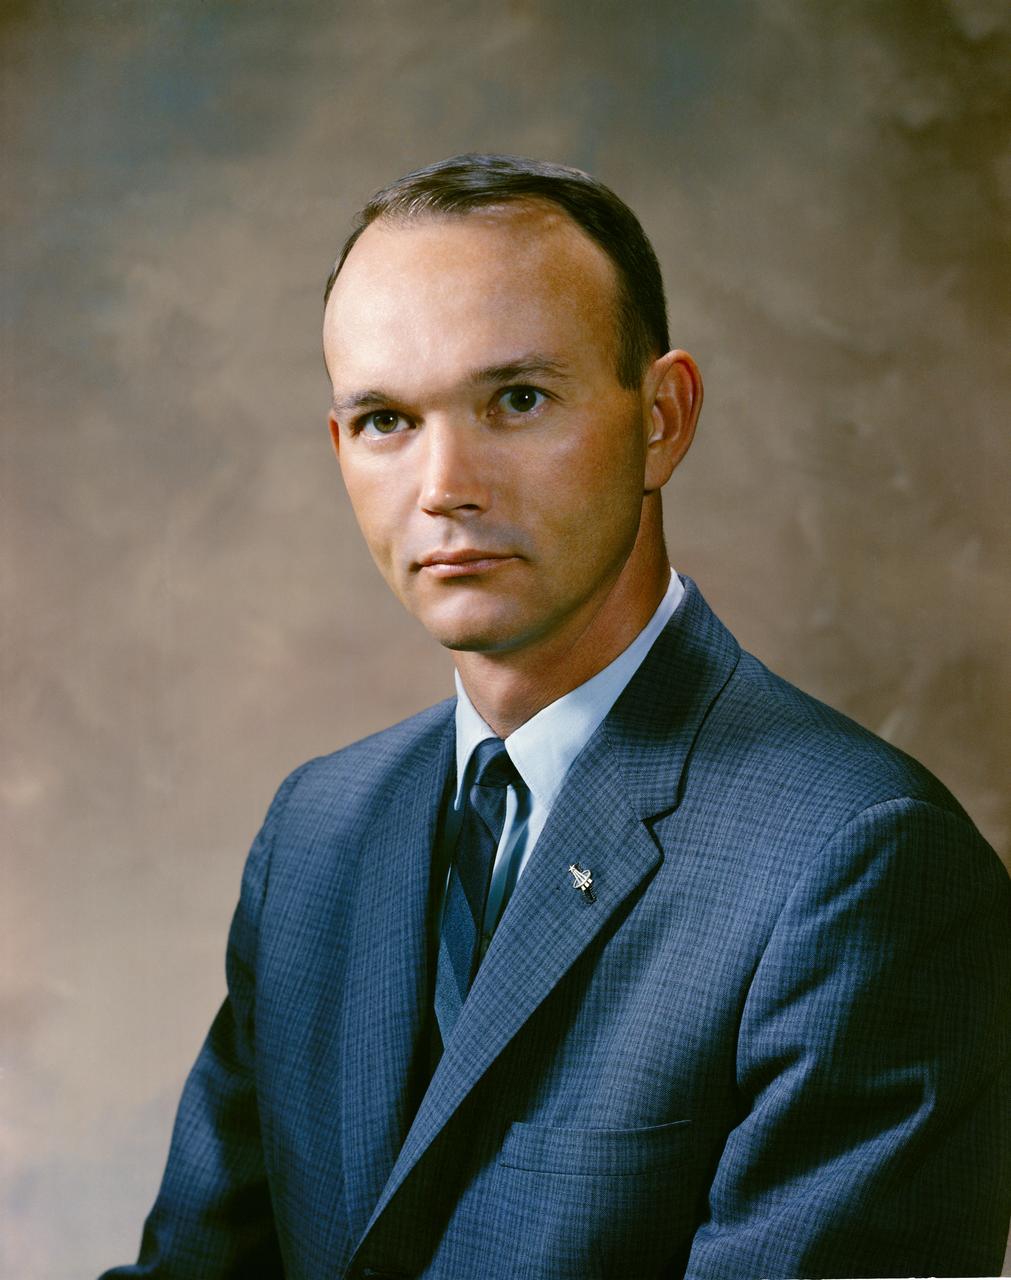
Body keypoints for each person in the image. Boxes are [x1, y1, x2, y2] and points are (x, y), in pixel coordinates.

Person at [101, 154, 1010, 1280]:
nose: (445, 484)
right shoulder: (316, 832)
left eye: (517, 400)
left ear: (662, 418)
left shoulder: (862, 862)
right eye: (386, 419)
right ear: (340, 450)